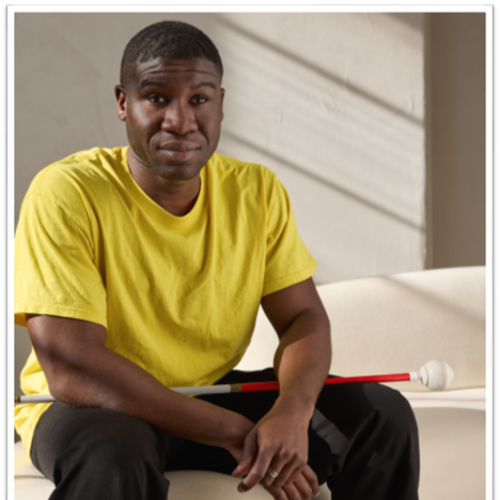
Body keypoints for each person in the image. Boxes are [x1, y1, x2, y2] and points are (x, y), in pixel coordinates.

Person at [14, 20, 420, 500]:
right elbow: (72, 366)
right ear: (124, 103)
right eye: (157, 98)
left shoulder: (256, 191)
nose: (181, 121)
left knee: (382, 416)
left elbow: (303, 318)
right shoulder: (67, 192)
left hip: (205, 392)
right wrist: (233, 432)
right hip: (95, 407)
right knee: (113, 453)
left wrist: (293, 409)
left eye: (199, 99)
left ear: (221, 104)